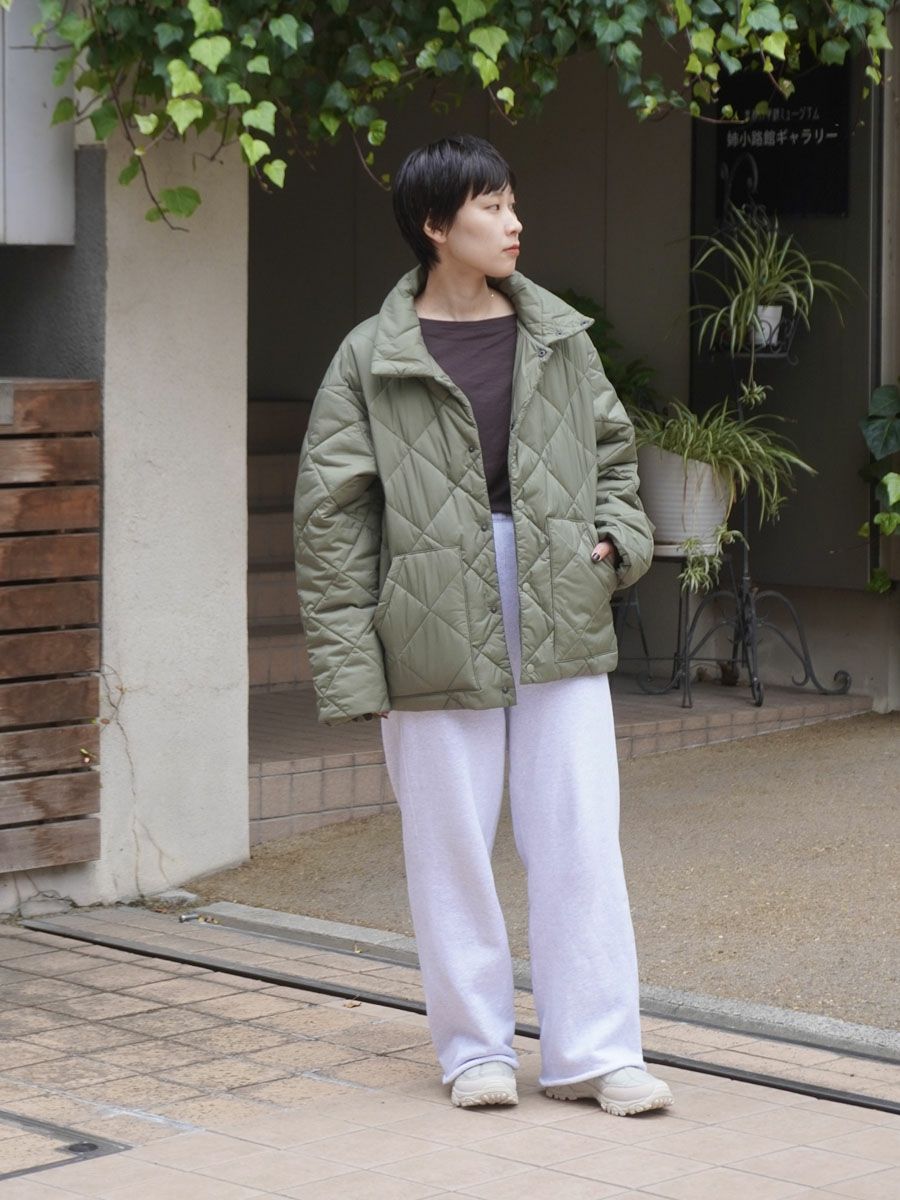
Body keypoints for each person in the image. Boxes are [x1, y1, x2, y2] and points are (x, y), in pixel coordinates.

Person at [293, 132, 673, 1117]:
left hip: (557, 589)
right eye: (491, 206)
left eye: (512, 203)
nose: (514, 222)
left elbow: (615, 454)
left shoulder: (557, 336)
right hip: (427, 610)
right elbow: (333, 522)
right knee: (450, 841)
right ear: (435, 225)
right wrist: (353, 667)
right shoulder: (371, 357)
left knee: (579, 829)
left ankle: (596, 1053)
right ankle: (475, 1052)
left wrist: (615, 544)